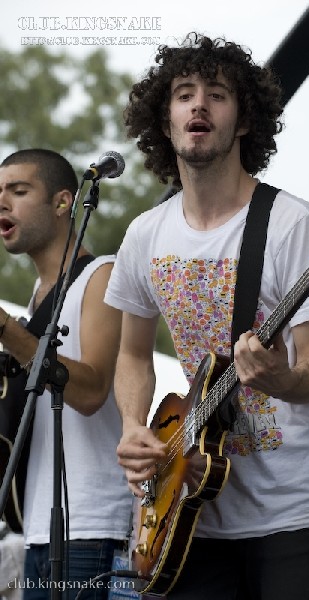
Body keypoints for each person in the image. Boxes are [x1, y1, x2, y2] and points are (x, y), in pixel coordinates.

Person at [104, 33, 309, 600]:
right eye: (184, 95)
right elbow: (132, 354)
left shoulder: (292, 222)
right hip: (188, 512)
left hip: (294, 510)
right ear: (164, 122)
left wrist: (281, 379)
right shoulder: (146, 233)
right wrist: (133, 430)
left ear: (243, 121)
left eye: (216, 95)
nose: (198, 105)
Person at [0, 149, 132, 598]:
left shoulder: (101, 276)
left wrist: (5, 330)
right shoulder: (38, 298)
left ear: (62, 203)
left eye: (18, 191)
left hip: (92, 526)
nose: (2, 202)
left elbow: (92, 389)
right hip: (36, 527)